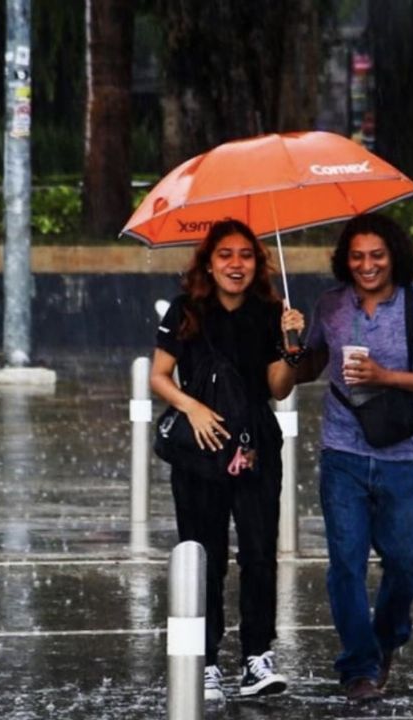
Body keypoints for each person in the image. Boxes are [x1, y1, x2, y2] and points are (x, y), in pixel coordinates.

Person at [294, 213, 413, 704]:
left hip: (401, 455)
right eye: (357, 256)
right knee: (345, 563)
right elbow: (308, 367)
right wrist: (291, 342)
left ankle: (385, 640)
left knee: (405, 562)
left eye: (377, 255)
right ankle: (359, 668)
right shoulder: (330, 305)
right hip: (342, 452)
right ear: (345, 260)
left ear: (394, 256)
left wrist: (387, 377)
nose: (367, 265)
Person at [149, 219, 304, 702]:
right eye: (225, 255)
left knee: (259, 553)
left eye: (246, 256)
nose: (236, 264)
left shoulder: (272, 311)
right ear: (209, 263)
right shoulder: (185, 311)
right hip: (199, 449)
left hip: (255, 443)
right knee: (203, 556)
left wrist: (293, 346)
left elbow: (278, 388)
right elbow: (159, 375)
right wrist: (191, 407)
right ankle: (207, 661)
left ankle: (257, 657)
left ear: (258, 264)